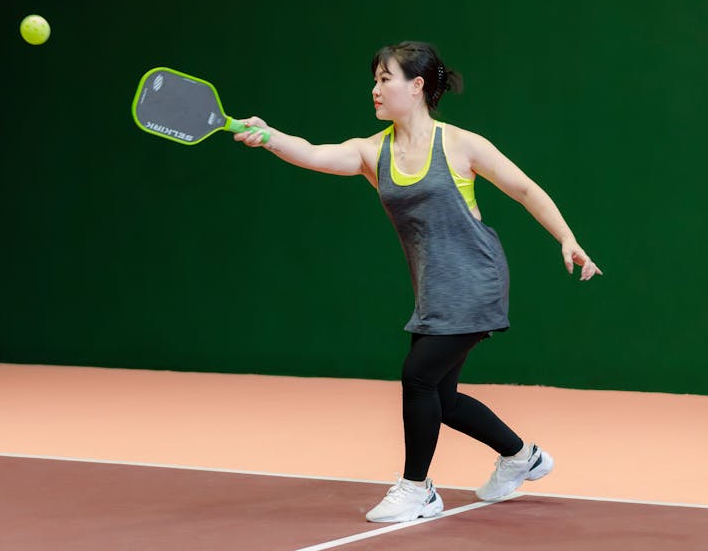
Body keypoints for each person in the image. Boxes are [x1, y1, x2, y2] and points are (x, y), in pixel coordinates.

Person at [233, 41, 602, 523]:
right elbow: (313, 153)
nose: (376, 89)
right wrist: (270, 137)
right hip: (432, 289)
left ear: (418, 86)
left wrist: (566, 238)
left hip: (475, 277)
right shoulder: (372, 151)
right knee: (441, 399)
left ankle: (417, 488)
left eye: (386, 79)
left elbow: (524, 188)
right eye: (375, 80)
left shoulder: (459, 144)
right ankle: (521, 457)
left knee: (418, 376)